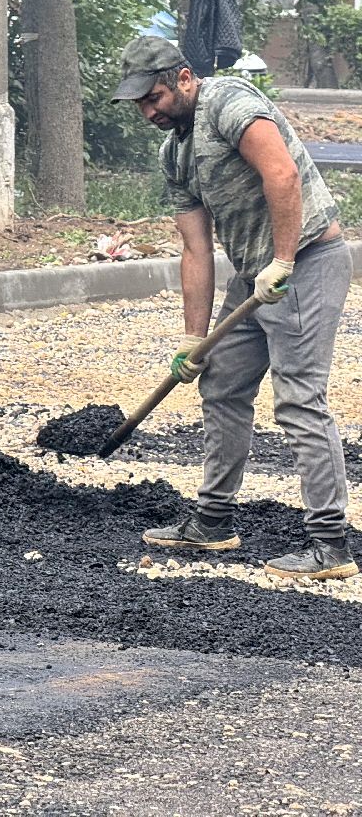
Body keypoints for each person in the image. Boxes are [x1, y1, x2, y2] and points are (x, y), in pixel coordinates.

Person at [113, 35, 354, 580]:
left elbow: (282, 174)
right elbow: (195, 248)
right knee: (219, 383)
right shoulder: (175, 150)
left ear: (183, 78)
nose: (149, 112)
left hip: (307, 260)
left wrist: (285, 260)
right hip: (254, 274)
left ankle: (330, 546)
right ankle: (213, 519)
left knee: (298, 398)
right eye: (140, 105)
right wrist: (191, 339)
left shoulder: (230, 103)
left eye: (153, 98)